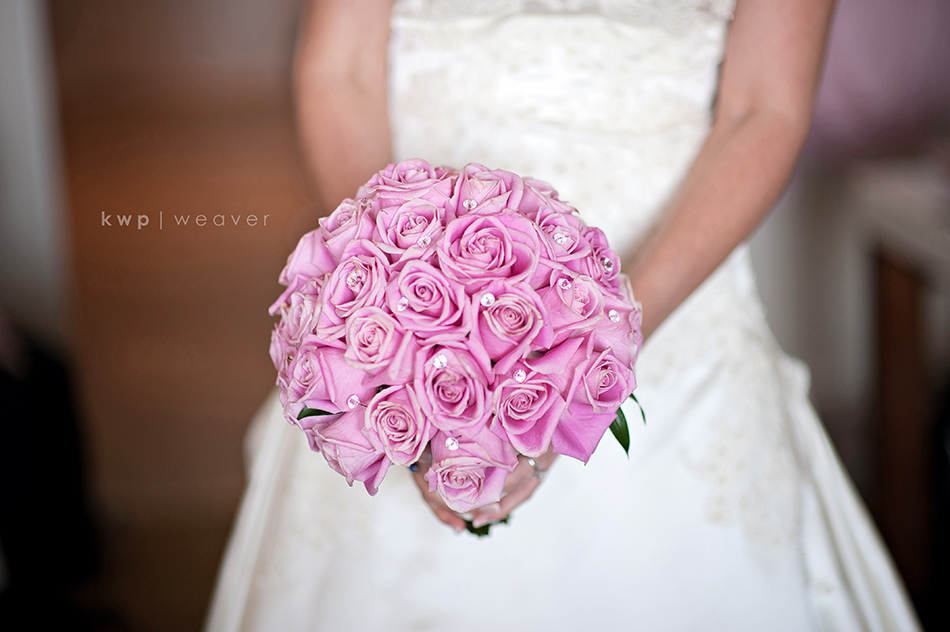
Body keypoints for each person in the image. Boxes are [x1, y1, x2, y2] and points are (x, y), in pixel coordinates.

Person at [206, 1, 922, 630]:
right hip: (412, 278)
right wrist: (398, 315)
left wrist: (599, 350)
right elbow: (342, 69)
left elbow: (763, 109)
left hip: (674, 305)